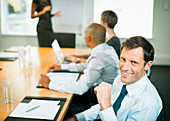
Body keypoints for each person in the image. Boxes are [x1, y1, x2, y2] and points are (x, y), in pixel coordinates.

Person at [66, 36, 162, 121]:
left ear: (147, 65)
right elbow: (102, 108)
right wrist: (78, 118)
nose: (124, 68)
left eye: (134, 62)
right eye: (123, 59)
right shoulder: (120, 80)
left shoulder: (148, 104)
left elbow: (106, 107)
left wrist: (105, 103)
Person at [39, 23, 120, 118]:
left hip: (98, 100)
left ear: (88, 38)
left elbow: (80, 88)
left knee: (60, 108)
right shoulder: (106, 49)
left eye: (85, 34)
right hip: (105, 96)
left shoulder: (99, 56)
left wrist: (50, 84)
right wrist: (63, 67)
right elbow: (88, 66)